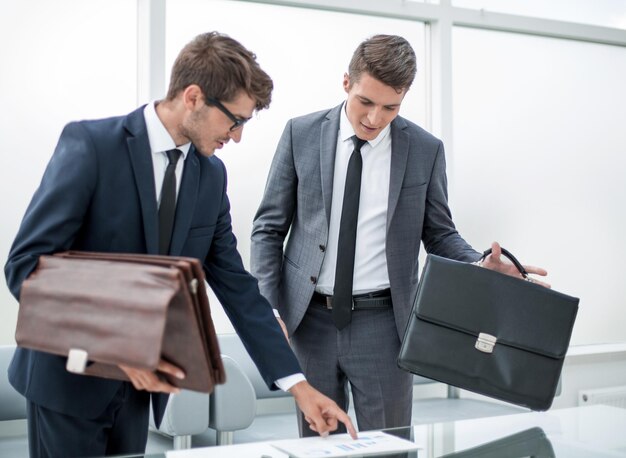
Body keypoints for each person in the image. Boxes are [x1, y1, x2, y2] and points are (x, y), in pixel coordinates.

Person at [5, 31, 355, 458]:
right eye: (235, 120)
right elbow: (26, 266)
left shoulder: (209, 177)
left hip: (138, 395)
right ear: (193, 97)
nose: (238, 136)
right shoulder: (92, 146)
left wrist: (298, 386)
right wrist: (111, 347)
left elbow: (237, 287)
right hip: (67, 383)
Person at [250, 34, 548, 436]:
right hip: (309, 322)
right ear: (346, 83)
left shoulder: (424, 150)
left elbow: (441, 235)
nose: (374, 118)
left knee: (389, 445)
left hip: (384, 327)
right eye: (365, 102)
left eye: (390, 107)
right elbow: (268, 229)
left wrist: (480, 265)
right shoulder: (299, 135)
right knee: (319, 445)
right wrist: (269, 308)